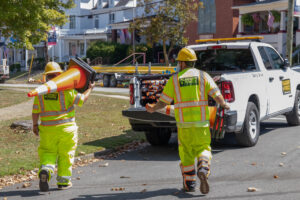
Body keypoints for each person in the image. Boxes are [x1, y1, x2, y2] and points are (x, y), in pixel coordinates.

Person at [146, 48, 229, 194]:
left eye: (179, 62)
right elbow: (216, 95)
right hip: (201, 125)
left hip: (184, 127)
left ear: (183, 63)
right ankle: (203, 167)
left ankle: (190, 184)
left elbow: (164, 102)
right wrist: (224, 104)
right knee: (204, 148)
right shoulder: (203, 76)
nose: (178, 64)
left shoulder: (175, 79)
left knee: (186, 155)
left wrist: (153, 109)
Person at [32, 62, 95, 191]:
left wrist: (34, 125)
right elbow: (82, 99)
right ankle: (63, 182)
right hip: (67, 130)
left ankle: (46, 171)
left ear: (46, 77)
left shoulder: (41, 92)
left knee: (48, 153)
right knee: (66, 155)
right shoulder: (67, 91)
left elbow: (35, 111)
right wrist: (90, 88)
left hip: (47, 130)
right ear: (60, 75)